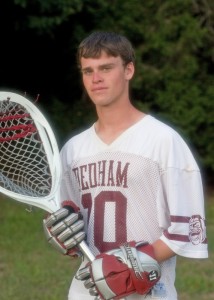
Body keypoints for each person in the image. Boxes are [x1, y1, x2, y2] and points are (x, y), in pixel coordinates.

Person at [43, 31, 208, 300]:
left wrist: (128, 264)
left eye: (106, 68)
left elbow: (186, 231)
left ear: (129, 70)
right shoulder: (73, 149)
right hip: (85, 293)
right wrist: (62, 235)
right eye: (88, 71)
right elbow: (69, 226)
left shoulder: (163, 140)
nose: (96, 78)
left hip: (149, 294)